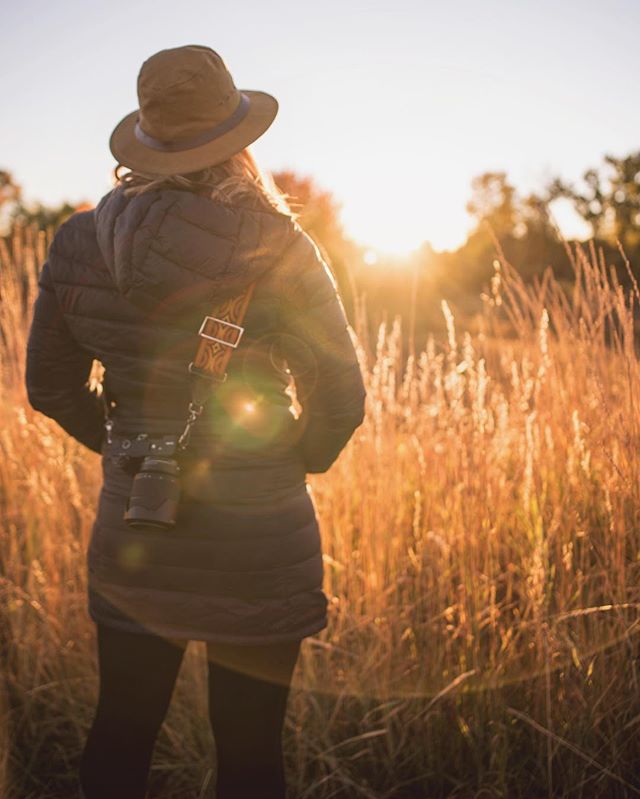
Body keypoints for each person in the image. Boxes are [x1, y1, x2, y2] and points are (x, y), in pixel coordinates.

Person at [25, 45, 367, 799]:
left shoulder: (79, 241)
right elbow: (342, 397)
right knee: (250, 756)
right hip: (261, 532)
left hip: (137, 527)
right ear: (237, 142)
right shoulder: (280, 246)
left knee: (119, 735)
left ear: (146, 141)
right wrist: (288, 460)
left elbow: (49, 387)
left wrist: (126, 452)